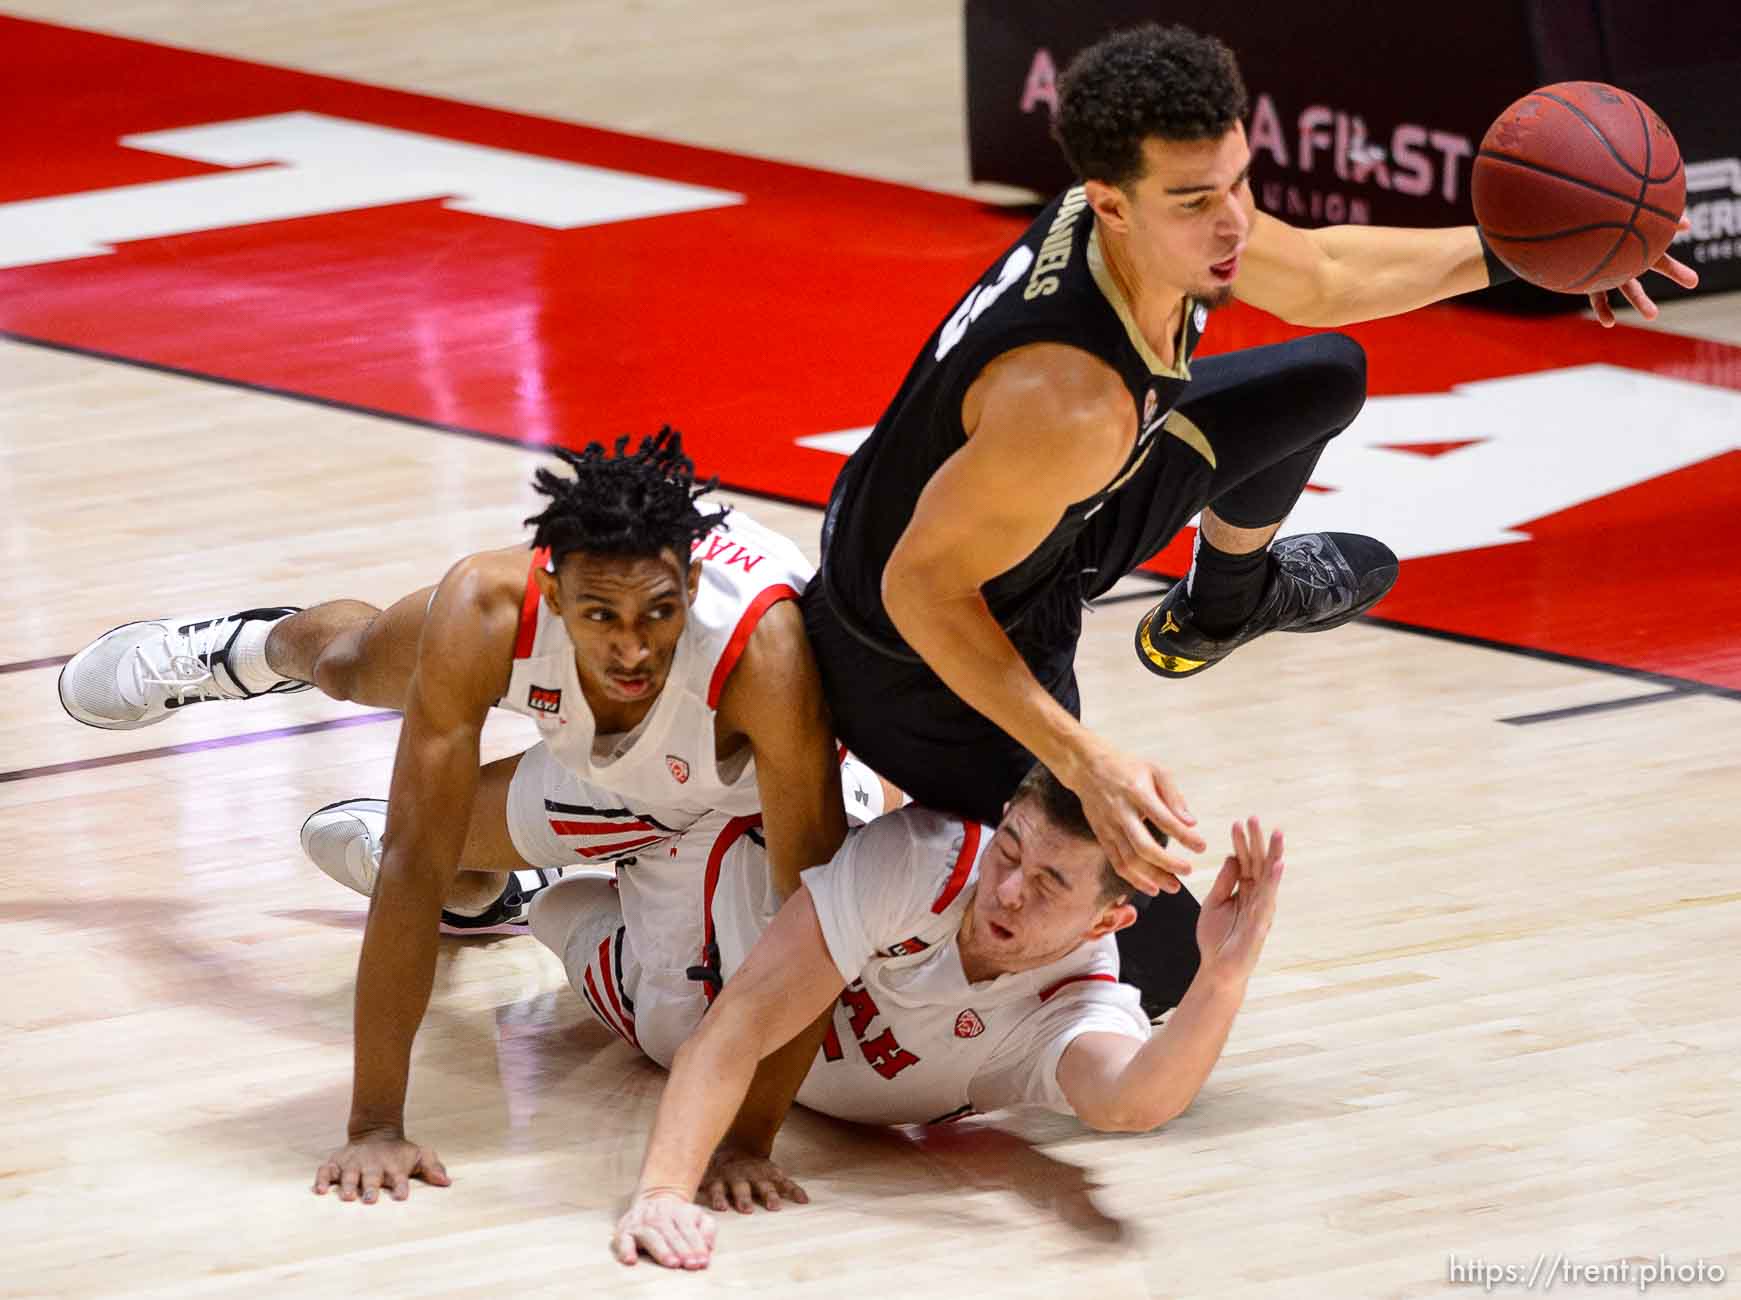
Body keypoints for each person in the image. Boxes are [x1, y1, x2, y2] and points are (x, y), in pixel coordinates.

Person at [798, 23, 1698, 1019]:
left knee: (1319, 376)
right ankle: (857, 878)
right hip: (913, 663)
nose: (1232, 221)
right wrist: (1081, 761)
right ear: (1112, 207)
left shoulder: (1149, 226)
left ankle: (1219, 607)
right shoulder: (1068, 401)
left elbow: (1318, 276)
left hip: (1042, 531)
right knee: (1166, 969)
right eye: (1196, 201)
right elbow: (918, 590)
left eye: (1239, 181)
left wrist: (1537, 251)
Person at [57, 428, 859, 1202]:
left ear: (688, 587)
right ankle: (243, 648)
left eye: (656, 613)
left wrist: (746, 1144)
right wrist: (375, 1126)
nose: (630, 651)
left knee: (701, 1011)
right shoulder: (485, 606)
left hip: (733, 801)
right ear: (549, 591)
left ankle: (491, 891)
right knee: (357, 672)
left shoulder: (766, 656)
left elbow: (812, 922)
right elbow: (410, 858)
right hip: (618, 779)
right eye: (598, 616)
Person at [562, 764, 1286, 1270]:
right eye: (1009, 851)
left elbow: (1131, 1102)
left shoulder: (1072, 1001)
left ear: (1107, 923)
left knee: (558, 912)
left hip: (679, 997)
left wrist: (1221, 980)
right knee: (630, 816)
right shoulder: (923, 859)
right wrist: (660, 1194)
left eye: (1048, 884)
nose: (1005, 890)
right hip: (705, 951)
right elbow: (738, 1025)